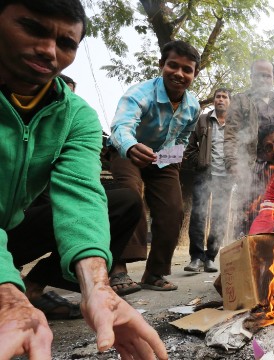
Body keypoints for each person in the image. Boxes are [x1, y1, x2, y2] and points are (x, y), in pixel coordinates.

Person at [0, 1, 167, 358]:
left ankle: (32, 285)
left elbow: (79, 195)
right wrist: (4, 293)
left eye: (66, 43)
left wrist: (97, 286)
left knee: (122, 200)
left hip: (14, 228)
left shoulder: (77, 116)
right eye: (33, 28)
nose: (48, 50)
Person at [109, 40, 201, 291]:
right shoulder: (139, 93)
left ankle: (154, 273)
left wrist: (173, 158)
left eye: (187, 70)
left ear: (195, 74)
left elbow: (183, 137)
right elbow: (120, 128)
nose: (179, 74)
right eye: (173, 66)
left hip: (163, 159)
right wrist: (130, 146)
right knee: (129, 197)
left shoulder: (193, 106)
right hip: (128, 151)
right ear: (162, 65)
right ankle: (118, 269)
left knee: (173, 209)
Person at [224, 59, 274, 236]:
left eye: (267, 76)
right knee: (250, 212)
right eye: (258, 75)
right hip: (252, 165)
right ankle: (248, 258)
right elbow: (231, 134)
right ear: (251, 77)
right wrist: (233, 164)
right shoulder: (240, 101)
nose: (263, 80)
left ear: (273, 78)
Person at [183, 88, 231, 273]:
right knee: (198, 215)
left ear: (229, 102)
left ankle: (210, 257)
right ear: (213, 101)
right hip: (204, 175)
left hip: (225, 177)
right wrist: (200, 162)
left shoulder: (234, 124)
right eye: (218, 97)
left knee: (219, 218)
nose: (220, 100)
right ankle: (195, 258)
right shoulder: (202, 119)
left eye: (224, 97)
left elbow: (241, 148)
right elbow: (190, 147)